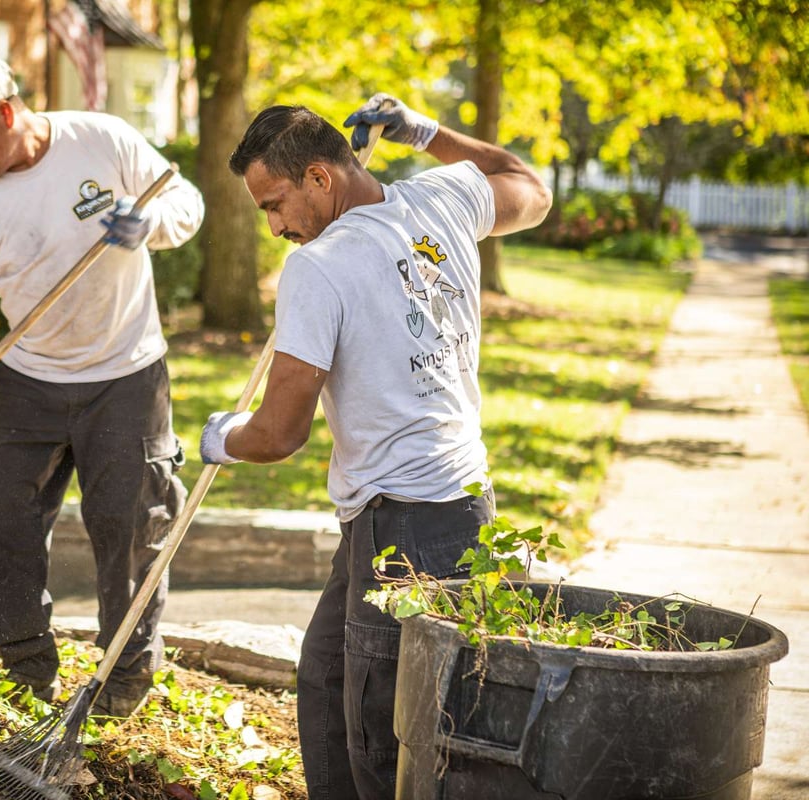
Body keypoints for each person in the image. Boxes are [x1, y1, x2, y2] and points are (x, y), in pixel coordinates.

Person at [199, 95, 551, 796]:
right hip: (459, 508)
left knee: (385, 740)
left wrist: (221, 440)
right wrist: (427, 135)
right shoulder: (441, 198)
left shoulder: (318, 267)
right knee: (327, 678)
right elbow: (529, 187)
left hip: (402, 528)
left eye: (275, 204)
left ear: (321, 179)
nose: (273, 227)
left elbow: (279, 434)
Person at [0, 52, 204, 718]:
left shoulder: (101, 139)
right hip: (30, 379)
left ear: (3, 113)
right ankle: (25, 675)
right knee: (4, 518)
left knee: (130, 529)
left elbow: (185, 200)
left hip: (127, 375)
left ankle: (122, 686)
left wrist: (151, 226)